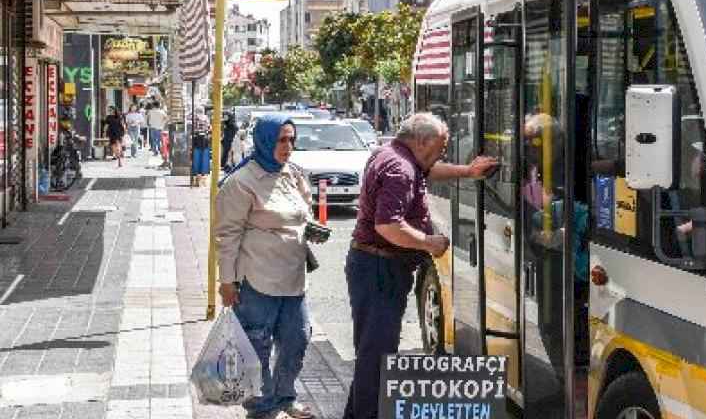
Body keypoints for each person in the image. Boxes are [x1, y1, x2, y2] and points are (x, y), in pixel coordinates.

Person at [342, 113, 497, 419]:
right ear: (422, 141)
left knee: (372, 353)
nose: (442, 153)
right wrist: (429, 242)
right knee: (377, 356)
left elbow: (428, 169)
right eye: (440, 146)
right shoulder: (400, 169)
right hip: (379, 269)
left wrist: (467, 171)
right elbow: (388, 226)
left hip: (375, 266)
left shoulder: (394, 155)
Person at [214, 114, 321, 419]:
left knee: (297, 339)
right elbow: (227, 235)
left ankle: (285, 397)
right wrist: (227, 281)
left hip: (294, 278)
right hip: (257, 279)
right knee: (257, 345)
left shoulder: (294, 174)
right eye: (280, 139)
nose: (288, 146)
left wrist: (311, 228)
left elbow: (303, 213)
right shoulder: (241, 182)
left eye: (291, 139)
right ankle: (261, 408)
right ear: (264, 141)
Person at [191, 109, 212, 186]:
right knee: (204, 159)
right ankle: (203, 179)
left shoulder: (195, 118)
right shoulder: (206, 118)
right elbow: (209, 129)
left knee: (197, 159)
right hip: (205, 141)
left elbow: (193, 130)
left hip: (197, 141)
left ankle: (197, 178)